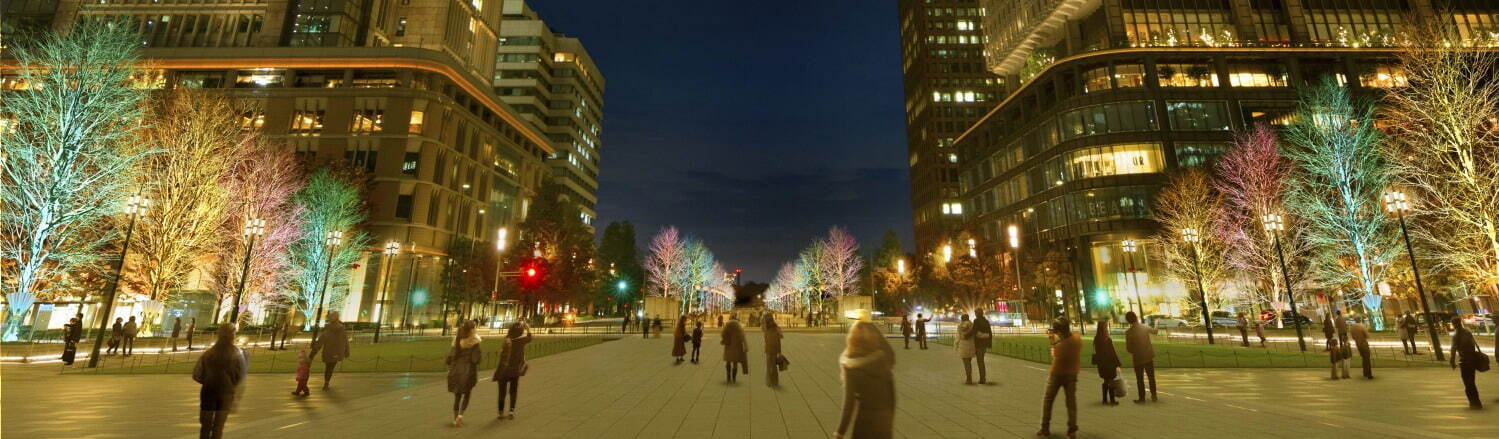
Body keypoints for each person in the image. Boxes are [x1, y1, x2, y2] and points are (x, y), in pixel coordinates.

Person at [834, 312, 895, 439]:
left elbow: (849, 404)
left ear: (851, 338)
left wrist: (840, 432)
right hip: (884, 421)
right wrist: (869, 325)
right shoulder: (882, 359)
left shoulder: (850, 364)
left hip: (864, 422)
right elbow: (892, 394)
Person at [192, 324, 248, 439]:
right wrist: (231, 384)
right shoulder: (237, 354)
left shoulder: (208, 353)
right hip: (226, 393)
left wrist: (207, 380)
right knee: (218, 427)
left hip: (208, 391)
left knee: (205, 427)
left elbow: (197, 374)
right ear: (233, 335)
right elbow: (241, 375)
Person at [1039, 317, 1082, 438]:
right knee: (1071, 403)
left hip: (1057, 374)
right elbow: (1066, 343)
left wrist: (1052, 341)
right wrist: (1057, 340)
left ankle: (1045, 428)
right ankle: (1072, 430)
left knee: (1048, 400)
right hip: (1072, 374)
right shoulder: (1077, 338)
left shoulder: (1061, 346)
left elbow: (1055, 355)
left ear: (1059, 331)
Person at [445, 321, 482, 427]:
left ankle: (455, 418)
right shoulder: (474, 342)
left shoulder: (457, 340)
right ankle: (460, 417)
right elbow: (476, 359)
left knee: (457, 396)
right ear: (471, 330)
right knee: (467, 394)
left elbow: (450, 357)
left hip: (456, 370)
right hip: (468, 371)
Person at [494, 321, 532, 419]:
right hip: (514, 370)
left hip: (502, 370)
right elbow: (530, 338)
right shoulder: (521, 341)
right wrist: (528, 328)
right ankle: (511, 411)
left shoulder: (506, 340)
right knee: (513, 390)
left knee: (501, 392)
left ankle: (500, 412)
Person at [1449, 316, 1484, 409]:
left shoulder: (1456, 335)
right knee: (1471, 381)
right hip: (1472, 359)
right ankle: (1477, 402)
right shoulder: (1467, 332)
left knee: (1467, 383)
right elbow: (1474, 344)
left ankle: (1473, 403)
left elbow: (1453, 349)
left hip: (1464, 361)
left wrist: (1452, 361)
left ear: (1454, 324)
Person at [310, 311, 351, 390]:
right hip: (337, 352)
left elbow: (320, 342)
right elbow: (346, 340)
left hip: (328, 352)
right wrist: (347, 350)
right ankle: (326, 382)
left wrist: (312, 355)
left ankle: (326, 383)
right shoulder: (342, 328)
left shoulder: (327, 329)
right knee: (331, 367)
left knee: (328, 367)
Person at [1124, 311, 1157, 402]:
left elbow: (1129, 349)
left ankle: (1142, 397)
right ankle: (1154, 395)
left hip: (1138, 358)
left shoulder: (1128, 332)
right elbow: (1155, 331)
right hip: (1148, 356)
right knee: (1151, 377)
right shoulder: (1144, 327)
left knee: (1140, 379)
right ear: (1136, 317)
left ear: (1128, 321)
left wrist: (1135, 350)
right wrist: (1157, 324)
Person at [1093, 320, 1122, 405]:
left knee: (1106, 381)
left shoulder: (1097, 339)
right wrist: (1118, 364)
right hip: (1109, 364)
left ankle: (1105, 399)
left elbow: (1097, 352)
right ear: (1104, 328)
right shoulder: (1107, 339)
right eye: (1106, 326)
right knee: (1111, 381)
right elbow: (1112, 353)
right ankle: (1112, 400)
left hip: (1101, 364)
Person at [721, 314, 748, 383]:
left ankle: (728, 376)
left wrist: (724, 340)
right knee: (735, 362)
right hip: (737, 346)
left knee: (728, 361)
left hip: (728, 346)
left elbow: (723, 333)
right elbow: (743, 336)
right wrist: (745, 346)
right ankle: (734, 378)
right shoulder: (738, 326)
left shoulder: (727, 325)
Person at [969, 309, 992, 383]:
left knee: (980, 361)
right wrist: (989, 344)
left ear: (978, 314)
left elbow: (974, 330)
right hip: (984, 343)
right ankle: (983, 377)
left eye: (976, 313)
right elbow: (990, 333)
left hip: (979, 343)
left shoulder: (976, 321)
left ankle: (982, 378)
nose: (975, 314)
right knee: (981, 360)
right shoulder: (986, 321)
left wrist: (966, 335)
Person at [763, 313, 784, 387]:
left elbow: (767, 339)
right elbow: (779, 339)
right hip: (774, 350)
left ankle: (770, 382)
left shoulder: (767, 328)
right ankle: (774, 382)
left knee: (769, 367)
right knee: (773, 367)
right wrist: (779, 351)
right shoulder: (774, 328)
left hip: (769, 350)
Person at [956, 314, 976, 384]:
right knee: (969, 362)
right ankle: (969, 376)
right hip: (971, 345)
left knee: (966, 363)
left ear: (962, 319)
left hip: (963, 346)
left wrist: (956, 346)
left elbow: (958, 337)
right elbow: (975, 335)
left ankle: (969, 378)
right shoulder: (972, 325)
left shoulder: (959, 326)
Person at [1333, 310, 1351, 379]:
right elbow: (1346, 324)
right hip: (1344, 330)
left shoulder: (1337, 319)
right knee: (1345, 339)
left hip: (1340, 331)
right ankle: (1345, 345)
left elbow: (1336, 326)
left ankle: (1342, 348)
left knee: (1340, 340)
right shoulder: (1343, 318)